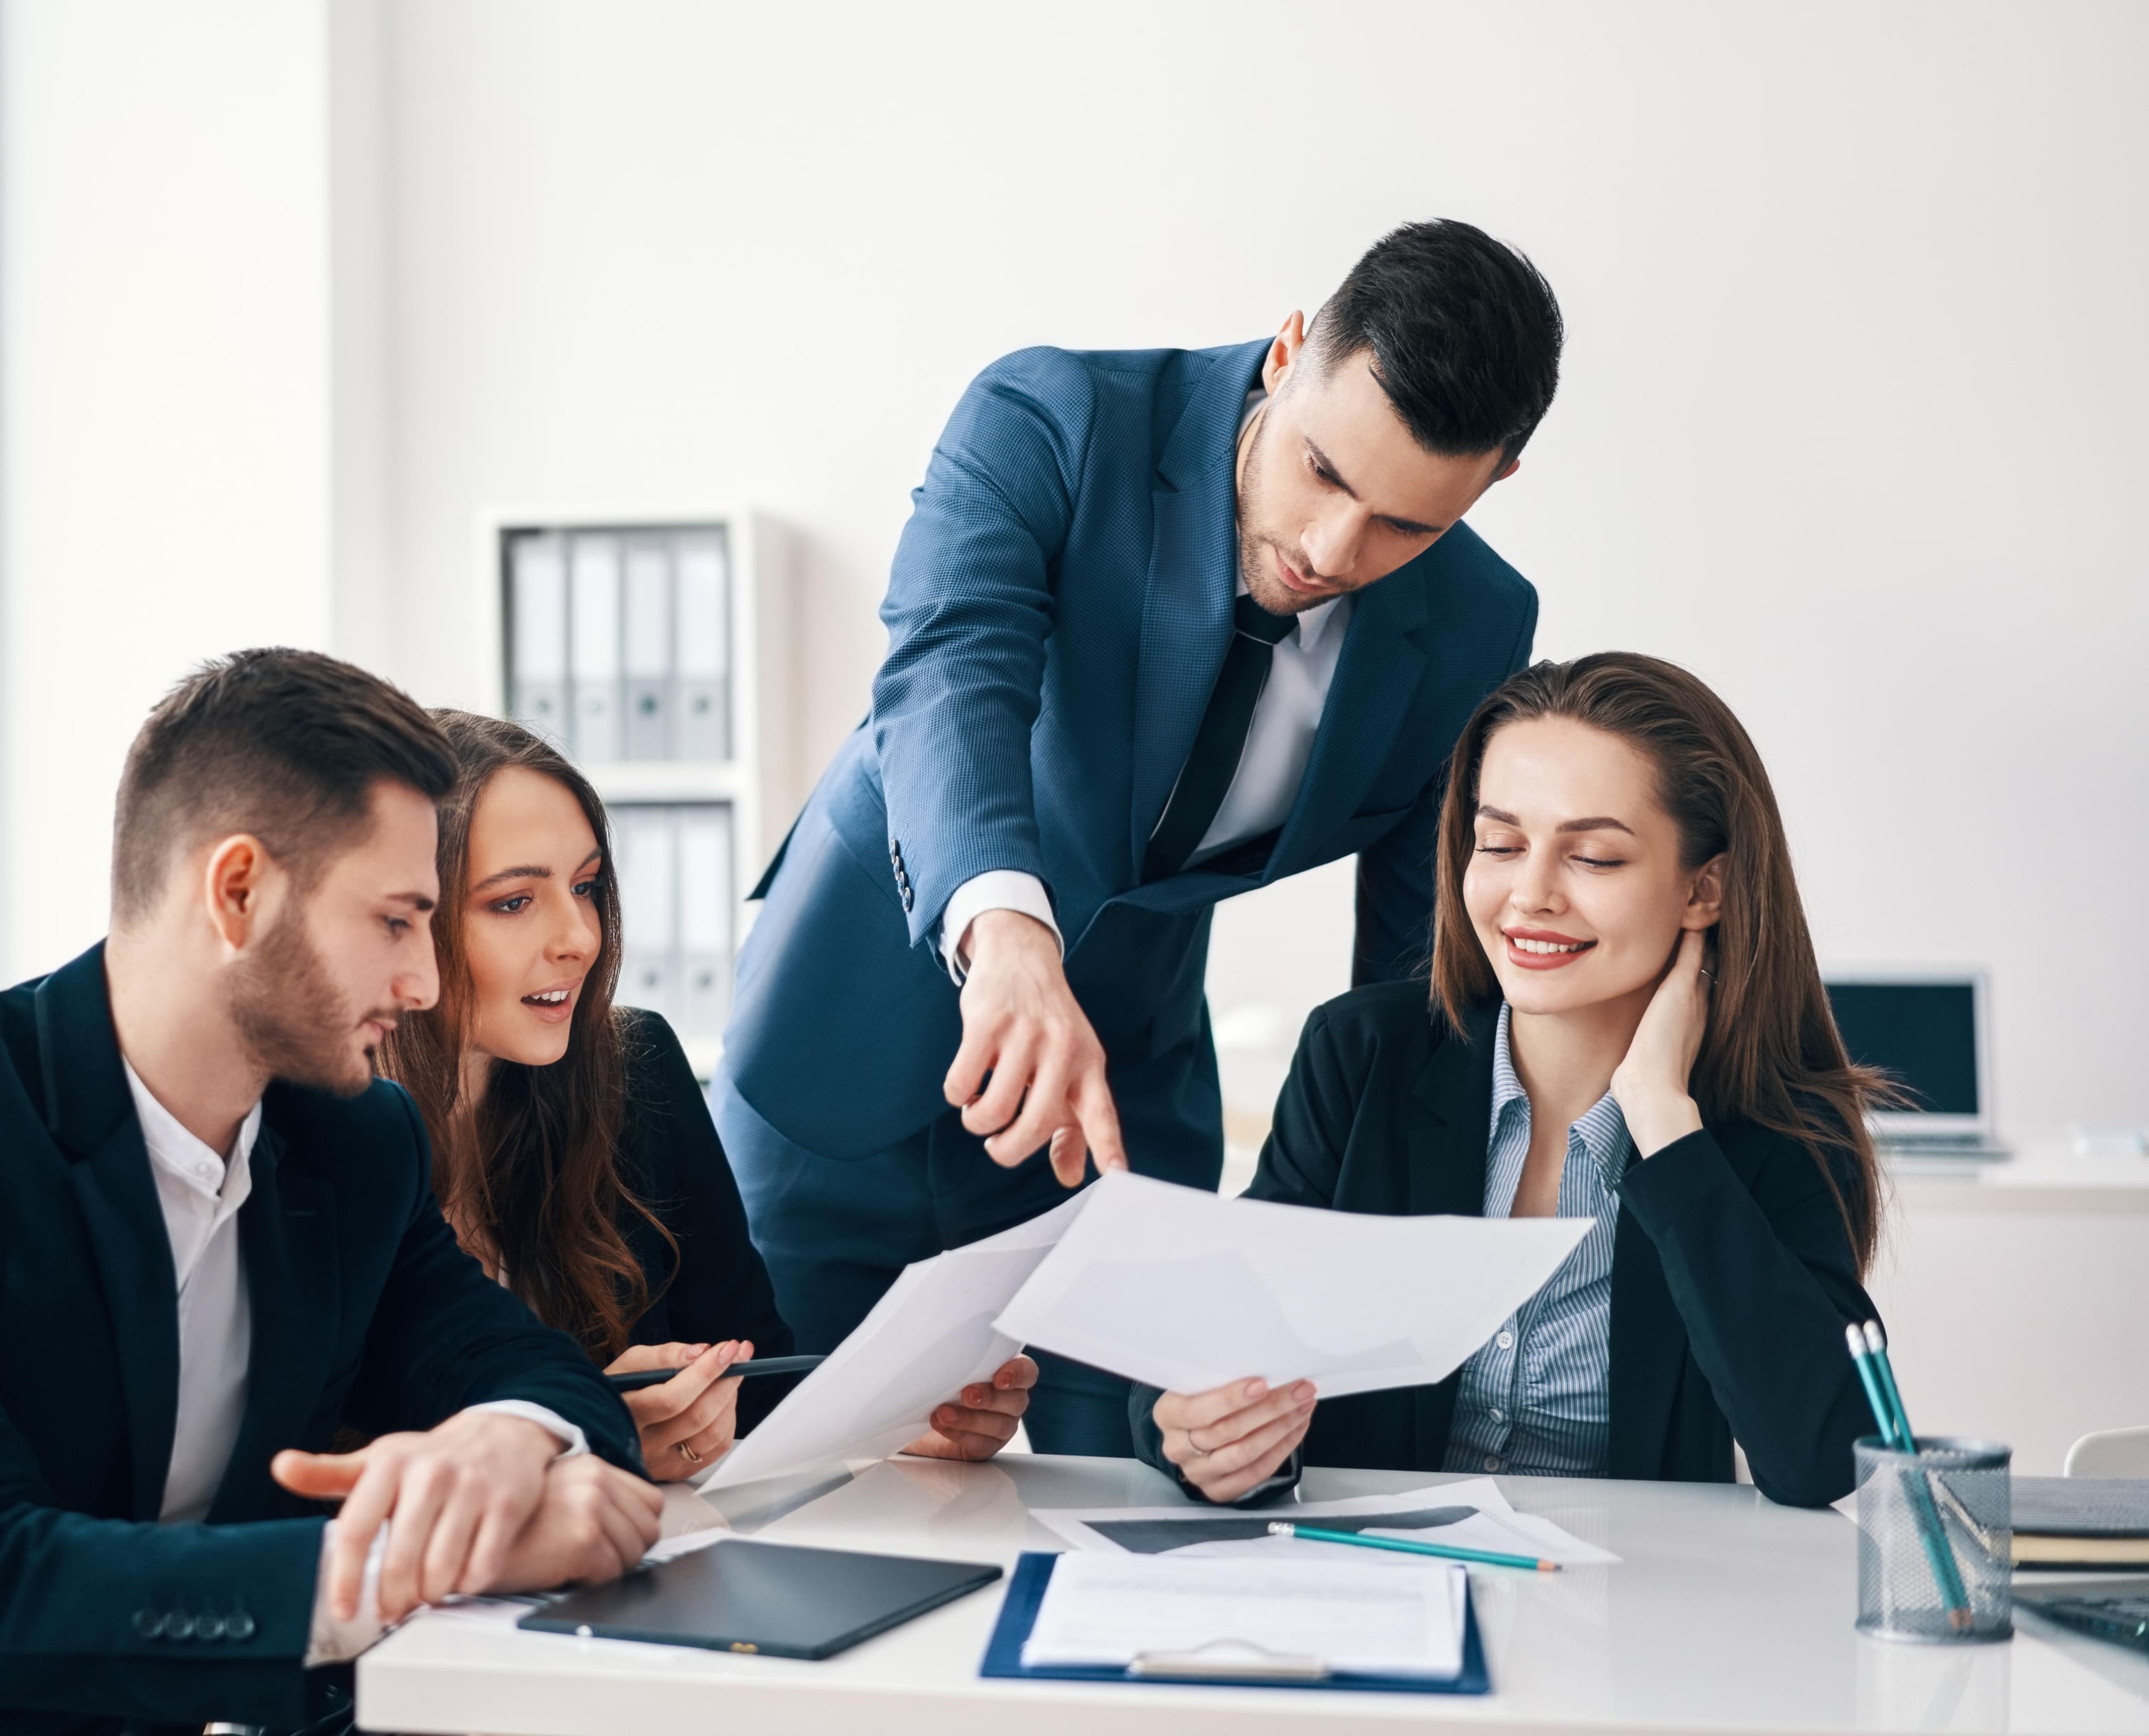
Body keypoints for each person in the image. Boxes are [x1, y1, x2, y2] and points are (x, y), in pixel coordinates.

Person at [0, 650, 660, 1736]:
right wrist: (400, 1567)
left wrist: (510, 1441)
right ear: (237, 893)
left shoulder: (354, 1140)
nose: (425, 981)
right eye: (392, 921)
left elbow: (516, 1364)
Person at [718, 220, 1567, 1454]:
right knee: (797, 1486)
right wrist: (1004, 939)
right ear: (1288, 353)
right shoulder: (1052, 414)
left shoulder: (1483, 622)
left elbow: (1411, 968)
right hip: (852, 1042)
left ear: (1491, 484)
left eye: (1406, 527)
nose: (1335, 554)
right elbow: (951, 676)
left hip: (1122, 1109)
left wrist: (1360, 1264)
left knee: (1143, 1500)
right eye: (1324, 473)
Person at [1133, 653, 1888, 1511]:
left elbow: (1828, 1453)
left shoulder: (1774, 1122)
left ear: (1703, 886)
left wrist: (1666, 1125)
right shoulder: (1365, 1053)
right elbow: (1213, 1338)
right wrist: (1205, 1436)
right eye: (1500, 843)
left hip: (1631, 1610)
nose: (1530, 894)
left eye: (1594, 856)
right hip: (1377, 1593)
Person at [379, 711, 1037, 1479]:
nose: (580, 938)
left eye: (586, 887)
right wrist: (592, 1432)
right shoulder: (315, 1140)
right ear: (403, 919)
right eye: (514, 902)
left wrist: (894, 1424)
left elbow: (757, 1379)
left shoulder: (634, 1072)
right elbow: (314, 1455)